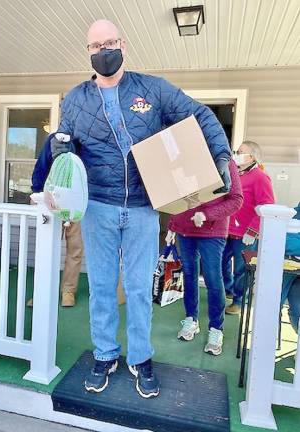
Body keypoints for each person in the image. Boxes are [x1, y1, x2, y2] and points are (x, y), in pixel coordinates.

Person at [51, 19, 232, 398]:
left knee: (137, 288)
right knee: (101, 288)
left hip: (143, 208)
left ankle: (140, 357)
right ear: (88, 51)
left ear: (123, 44)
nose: (104, 51)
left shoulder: (152, 89)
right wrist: (59, 151)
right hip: (98, 206)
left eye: (110, 43)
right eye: (96, 46)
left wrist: (221, 155)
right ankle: (104, 354)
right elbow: (65, 149)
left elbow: (198, 115)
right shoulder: (75, 99)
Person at [166, 161, 243, 356]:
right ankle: (191, 319)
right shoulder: (183, 160)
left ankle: (216, 329)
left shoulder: (225, 162)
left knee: (213, 279)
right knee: (189, 276)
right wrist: (172, 226)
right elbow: (176, 198)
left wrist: (206, 214)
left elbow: (236, 199)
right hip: (185, 229)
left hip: (212, 231)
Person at [29, 133, 84, 307]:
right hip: (51, 201)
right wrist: (36, 190)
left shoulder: (88, 138)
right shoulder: (53, 138)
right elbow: (42, 165)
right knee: (47, 248)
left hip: (77, 203)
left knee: (75, 248)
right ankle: (41, 291)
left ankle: (68, 291)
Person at [222, 141, 275, 315]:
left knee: (240, 269)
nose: (236, 153)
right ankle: (229, 290)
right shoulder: (234, 174)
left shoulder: (260, 177)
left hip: (245, 234)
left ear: (251, 157)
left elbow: (266, 205)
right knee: (220, 263)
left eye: (240, 152)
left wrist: (253, 230)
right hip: (226, 230)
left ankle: (238, 301)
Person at [281, 203, 300, 333]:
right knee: (271, 305)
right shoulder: (291, 214)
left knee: (297, 311)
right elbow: (285, 243)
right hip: (286, 269)